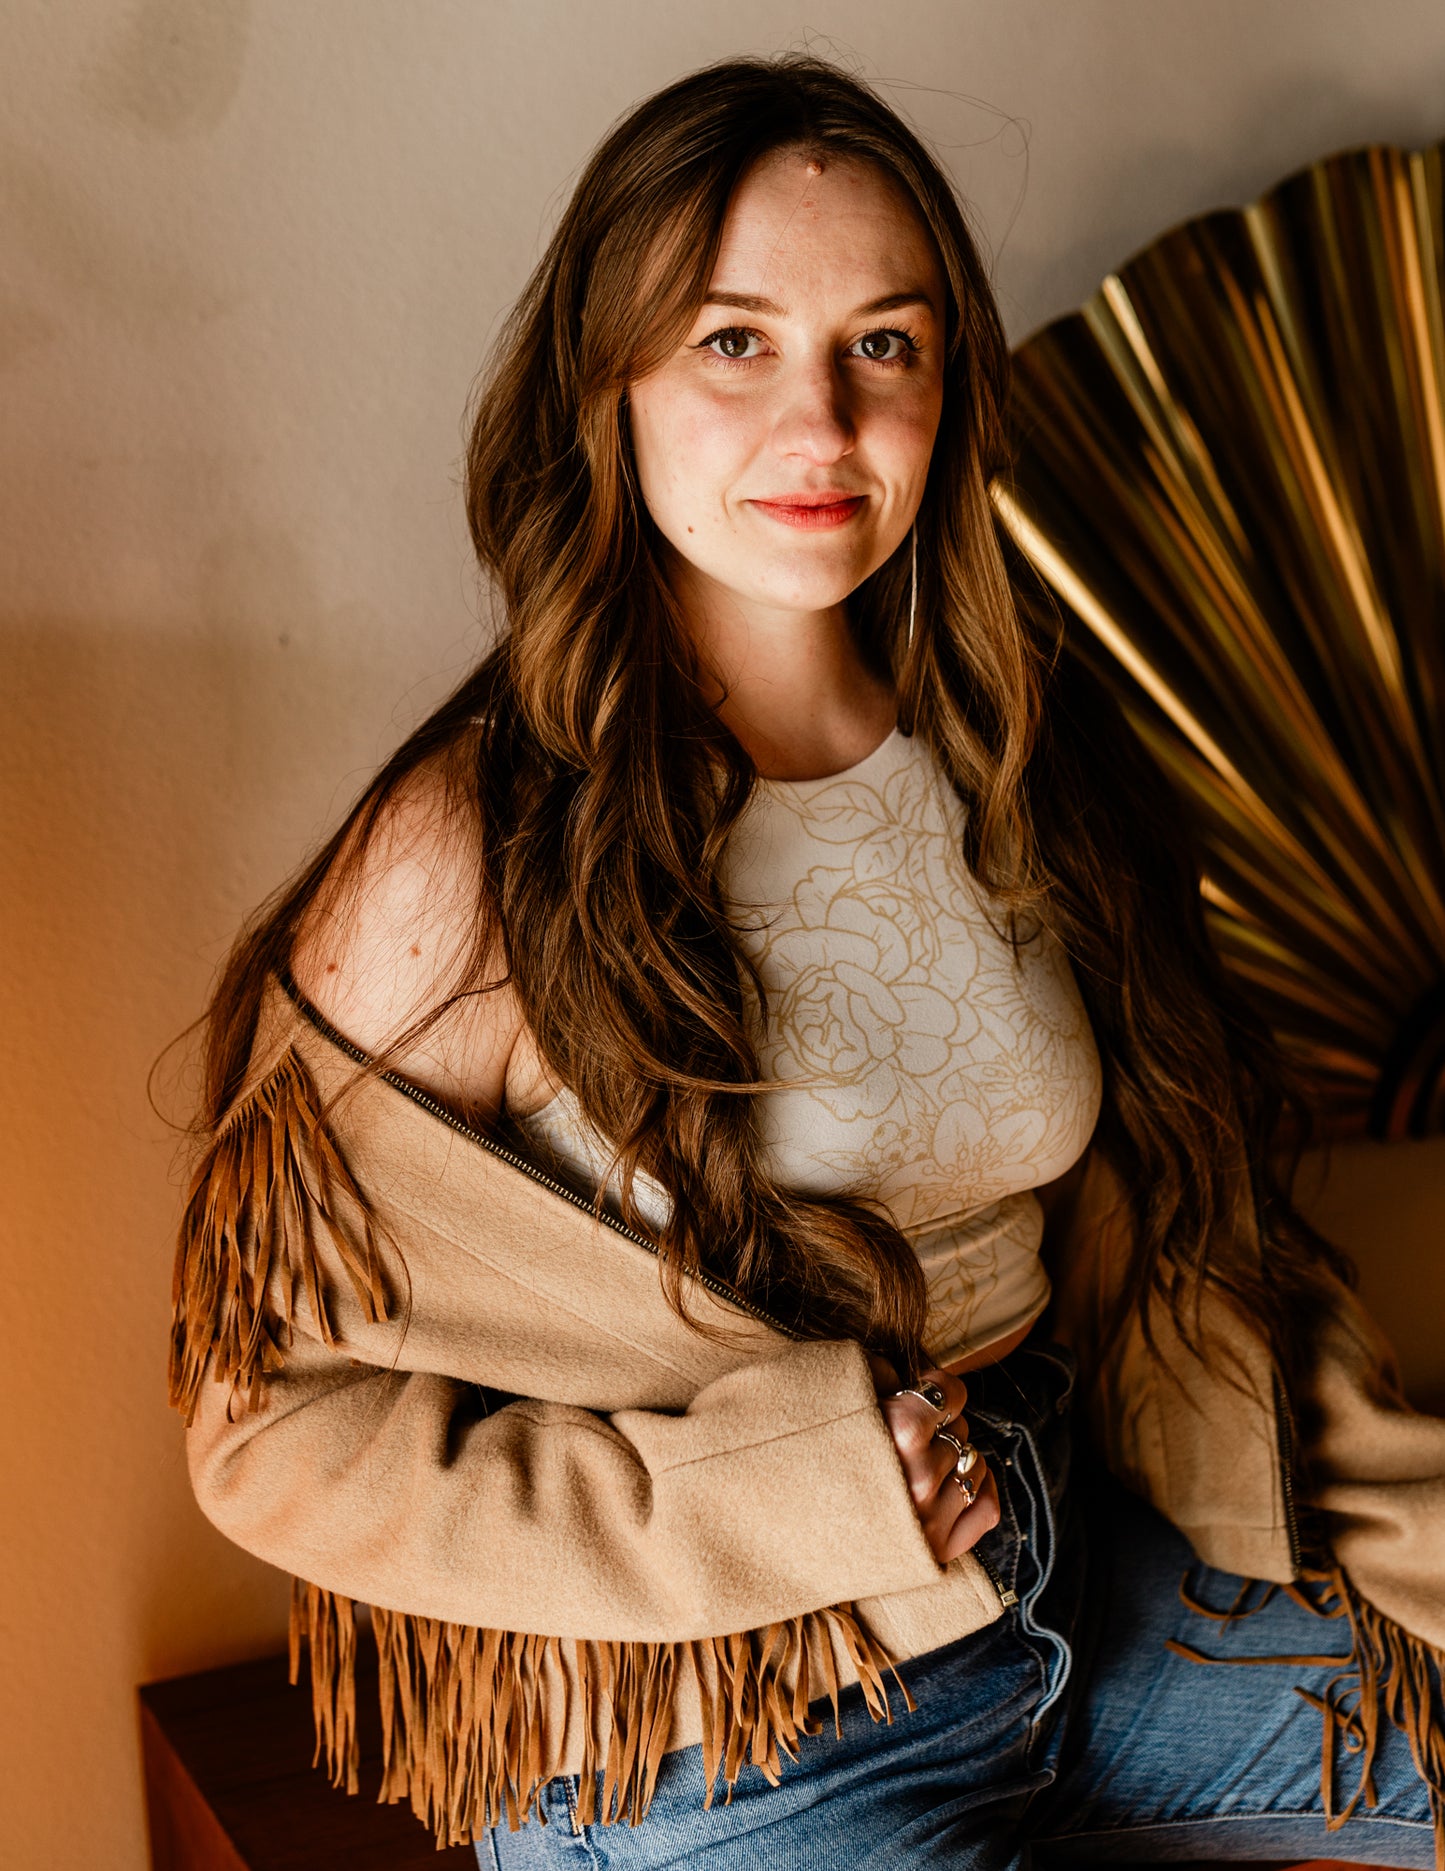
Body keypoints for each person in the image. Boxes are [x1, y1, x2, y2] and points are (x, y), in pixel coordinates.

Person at [169, 54, 1445, 1871]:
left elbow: (1173, 1228)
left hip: (1100, 1572)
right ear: (604, 382)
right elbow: (262, 1422)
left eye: (884, 346)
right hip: (730, 1722)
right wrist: (759, 1495)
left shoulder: (1019, 755)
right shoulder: (472, 856)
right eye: (732, 341)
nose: (823, 425)